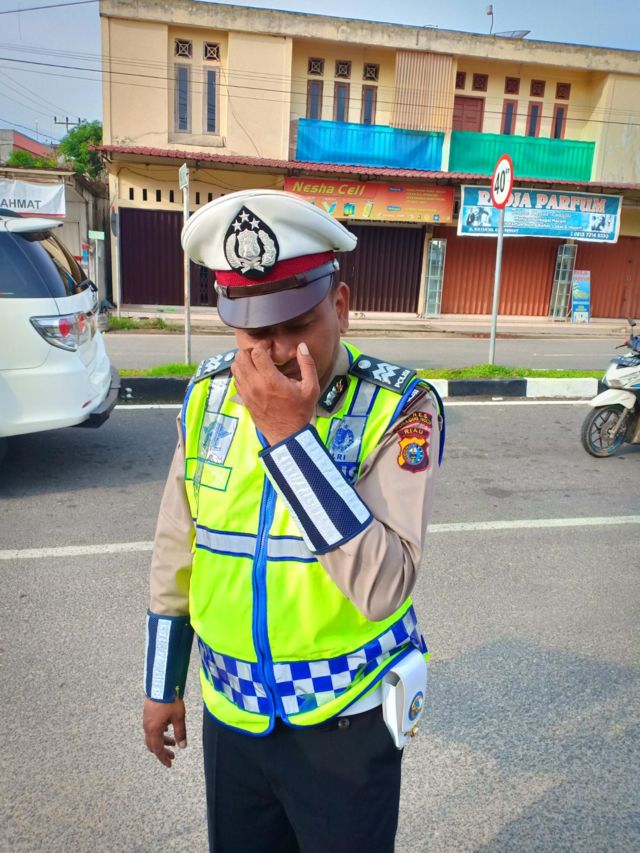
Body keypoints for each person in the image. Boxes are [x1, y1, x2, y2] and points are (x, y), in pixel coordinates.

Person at [143, 189, 444, 852]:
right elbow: (177, 547)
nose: (277, 351)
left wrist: (290, 439)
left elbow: (384, 585)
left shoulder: (399, 407)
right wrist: (162, 681)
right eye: (255, 332)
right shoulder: (208, 397)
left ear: (341, 306)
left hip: (345, 723)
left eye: (298, 324)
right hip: (233, 715)